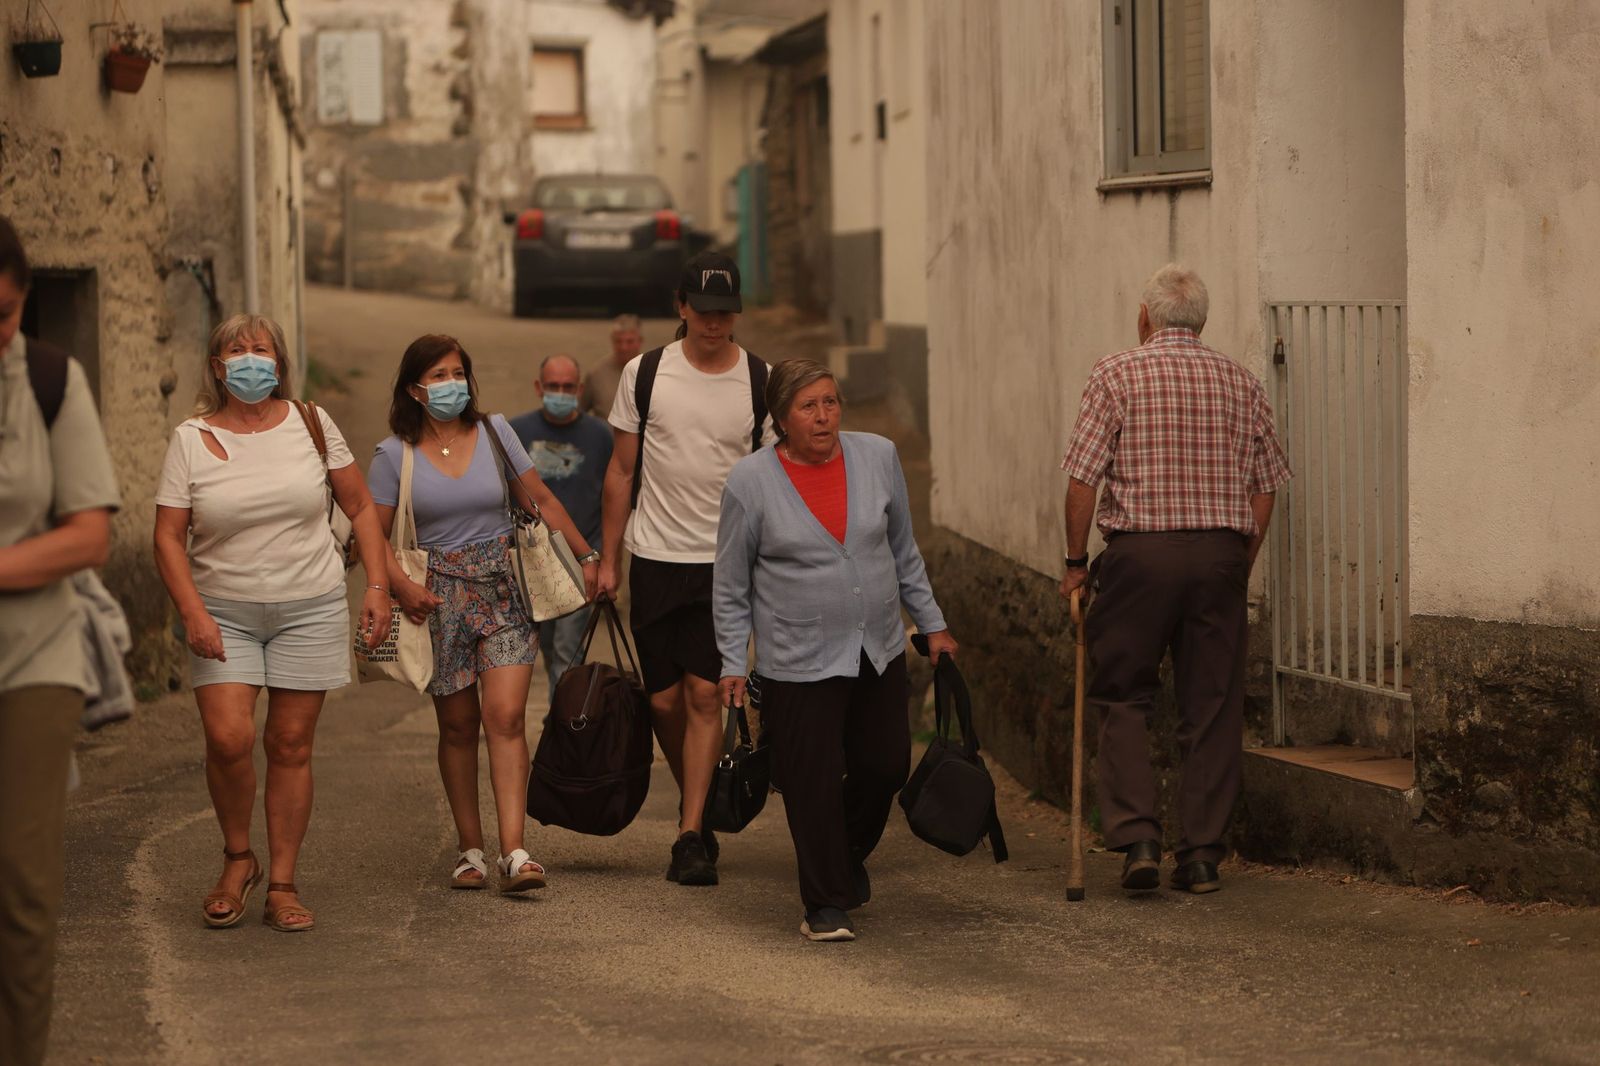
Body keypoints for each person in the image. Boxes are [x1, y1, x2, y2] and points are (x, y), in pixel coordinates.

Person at [153, 313, 394, 934]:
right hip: (221, 611)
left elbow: (359, 505)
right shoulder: (189, 438)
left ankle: (282, 883)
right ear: (217, 367)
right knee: (229, 738)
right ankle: (239, 858)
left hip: (309, 606)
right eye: (237, 351)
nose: (250, 360)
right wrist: (192, 612)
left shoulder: (311, 422)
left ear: (279, 363)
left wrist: (376, 585)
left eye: (261, 349)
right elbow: (168, 537)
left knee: (289, 745)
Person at [1059, 264, 1291, 896]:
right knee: (1212, 705)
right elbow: (1266, 486)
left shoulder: (1115, 373)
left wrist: (1075, 564)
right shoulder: (1241, 382)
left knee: (1122, 693)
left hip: (1140, 559)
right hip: (1219, 556)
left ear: (1145, 317)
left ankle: (1138, 839)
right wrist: (1239, 560)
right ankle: (1201, 858)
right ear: (1201, 322)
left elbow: (1083, 478)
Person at [714, 359, 956, 942]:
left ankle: (841, 855)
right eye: (808, 406)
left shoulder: (878, 456)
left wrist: (933, 624)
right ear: (781, 418)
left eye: (831, 402)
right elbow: (731, 583)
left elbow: (904, 551)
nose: (824, 416)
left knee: (885, 764)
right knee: (811, 780)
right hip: (797, 656)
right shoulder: (750, 482)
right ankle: (823, 902)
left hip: (877, 646)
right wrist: (731, 660)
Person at [368, 334, 600, 893]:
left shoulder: (496, 432)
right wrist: (401, 588)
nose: (452, 384)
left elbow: (540, 499)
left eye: (458, 373)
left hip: (503, 590)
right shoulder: (393, 455)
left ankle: (514, 851)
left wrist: (586, 556)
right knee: (457, 727)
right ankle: (469, 849)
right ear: (414, 389)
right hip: (436, 598)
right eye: (439, 375)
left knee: (506, 715)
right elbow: (371, 537)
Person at [598, 252, 773, 887]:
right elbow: (621, 471)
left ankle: (691, 834)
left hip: (726, 565)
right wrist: (609, 559)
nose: (714, 323)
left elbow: (774, 480)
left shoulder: (760, 380)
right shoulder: (645, 374)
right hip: (655, 556)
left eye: (725, 312)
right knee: (664, 700)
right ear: (681, 307)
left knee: (705, 694)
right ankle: (693, 797)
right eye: (703, 311)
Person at [0, 216, 120, 1065]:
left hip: (29, 658)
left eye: (2, 316)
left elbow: (88, 535)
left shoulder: (47, 380)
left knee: (22, 885)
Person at [509, 354, 612, 702]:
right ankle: (562, 714)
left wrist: (606, 562)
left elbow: (615, 499)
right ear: (539, 387)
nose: (561, 393)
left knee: (568, 652)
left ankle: (563, 727)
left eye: (568, 387)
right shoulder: (516, 432)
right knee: (550, 647)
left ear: (580, 390)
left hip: (581, 561)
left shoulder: (601, 435)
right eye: (553, 386)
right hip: (533, 563)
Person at [580, 313, 643, 418]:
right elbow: (578, 412)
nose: (624, 347)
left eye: (629, 341)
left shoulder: (653, 370)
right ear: (612, 341)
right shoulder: (596, 374)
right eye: (618, 341)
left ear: (640, 341)